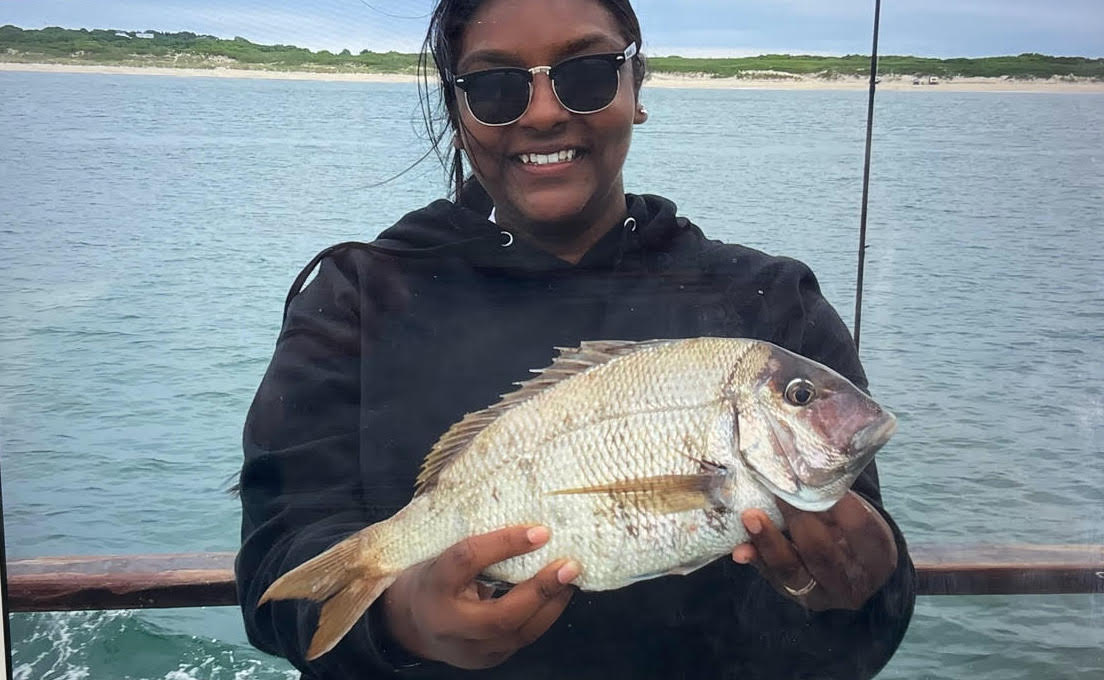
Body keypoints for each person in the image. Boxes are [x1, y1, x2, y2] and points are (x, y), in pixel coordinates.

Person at [234, 0, 916, 677]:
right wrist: (404, 621)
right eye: (495, 87)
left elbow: (868, 618)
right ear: (457, 111)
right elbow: (278, 565)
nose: (541, 113)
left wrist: (862, 584)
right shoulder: (355, 299)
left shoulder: (773, 304)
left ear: (635, 88)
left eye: (585, 74)